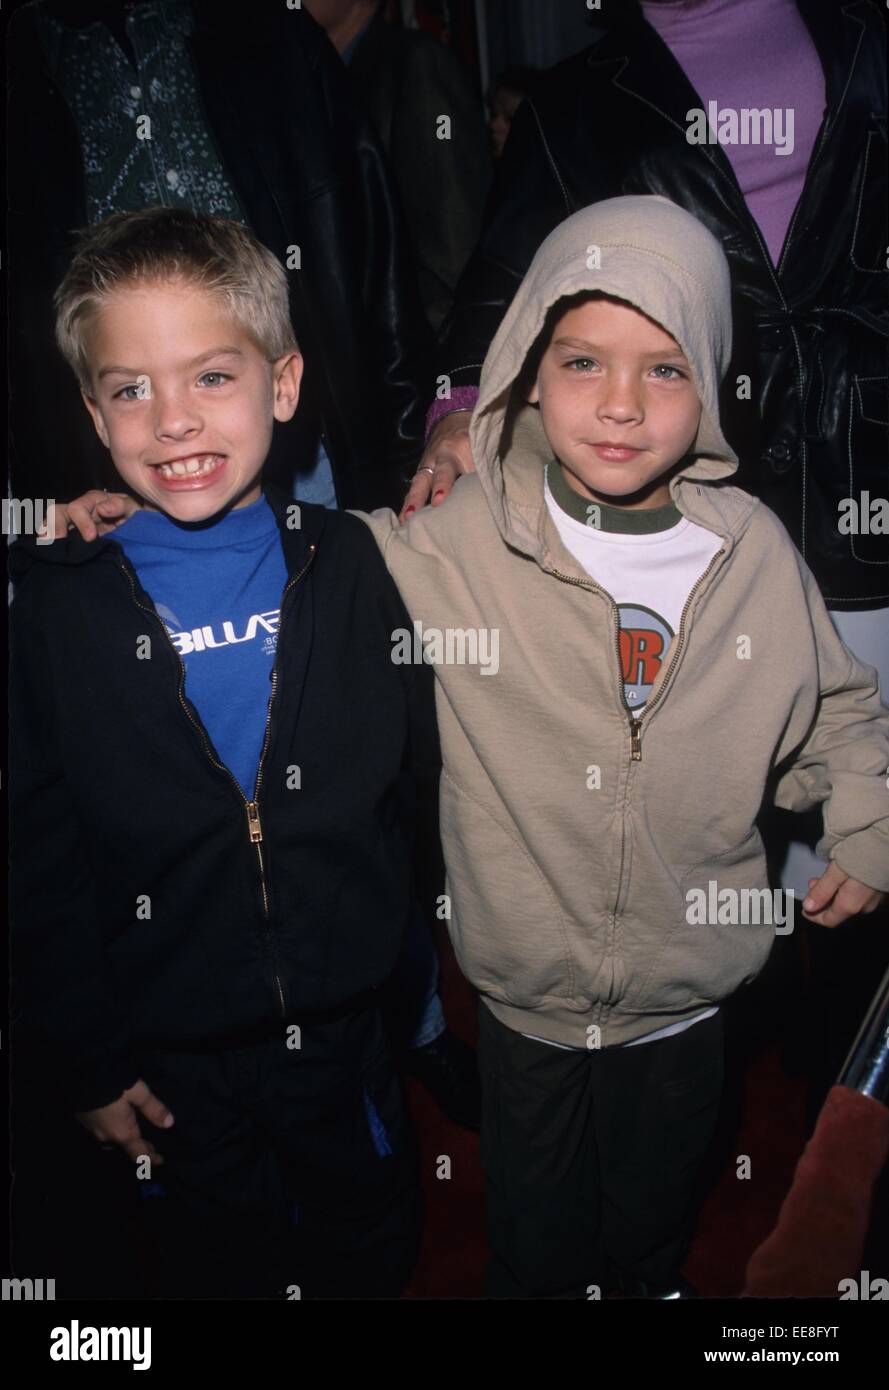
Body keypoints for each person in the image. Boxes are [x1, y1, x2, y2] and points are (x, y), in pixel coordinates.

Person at [61, 194, 889, 1298]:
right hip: (525, 1000)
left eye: (666, 369)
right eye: (582, 360)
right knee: (534, 1244)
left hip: (693, 994)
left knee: (653, 1224)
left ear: (713, 382)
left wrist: (871, 821)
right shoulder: (457, 539)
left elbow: (837, 707)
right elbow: (308, 548)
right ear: (525, 370)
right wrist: (125, 520)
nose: (622, 406)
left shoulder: (754, 553)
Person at [9, 207, 441, 1299]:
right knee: (211, 1265)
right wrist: (88, 1060)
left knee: (367, 1241)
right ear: (91, 412)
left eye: (210, 375)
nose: (170, 421)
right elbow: (39, 853)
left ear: (283, 385)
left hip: (346, 1028)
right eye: (129, 388)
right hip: (168, 1054)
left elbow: (415, 776)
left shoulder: (352, 560)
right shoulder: (59, 601)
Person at [305, 0, 491, 332]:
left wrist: (437, 375)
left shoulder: (416, 63)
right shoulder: (308, 77)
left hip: (408, 357)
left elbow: (454, 250)